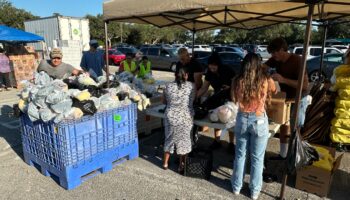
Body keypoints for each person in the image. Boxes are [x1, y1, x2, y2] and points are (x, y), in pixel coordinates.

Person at [231, 53, 276, 200]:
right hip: (259, 119)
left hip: (242, 118)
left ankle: (236, 187)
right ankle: (254, 191)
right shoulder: (265, 80)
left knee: (240, 155)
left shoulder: (238, 80)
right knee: (257, 158)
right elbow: (274, 90)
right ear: (258, 65)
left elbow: (235, 98)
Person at [265, 37, 309, 160]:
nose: (273, 56)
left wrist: (283, 80)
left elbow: (305, 85)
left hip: (299, 98)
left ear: (283, 50)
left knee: (296, 128)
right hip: (285, 97)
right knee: (284, 124)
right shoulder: (275, 59)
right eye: (271, 53)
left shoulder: (298, 61)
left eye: (274, 52)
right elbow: (263, 67)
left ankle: (297, 157)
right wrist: (266, 73)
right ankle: (283, 154)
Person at [196, 53, 235, 151]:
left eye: (214, 65)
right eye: (210, 65)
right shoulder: (209, 72)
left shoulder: (227, 70)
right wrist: (195, 96)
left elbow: (237, 83)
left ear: (219, 64)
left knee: (230, 120)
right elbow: (204, 87)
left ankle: (231, 143)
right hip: (218, 96)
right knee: (216, 117)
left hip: (230, 97)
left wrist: (230, 88)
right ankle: (217, 141)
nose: (212, 67)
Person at [162, 67, 196, 173]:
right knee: (184, 140)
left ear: (175, 75)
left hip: (170, 116)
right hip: (185, 117)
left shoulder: (168, 86)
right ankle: (181, 165)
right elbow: (192, 101)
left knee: (169, 138)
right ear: (186, 75)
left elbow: (164, 101)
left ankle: (165, 163)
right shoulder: (191, 86)